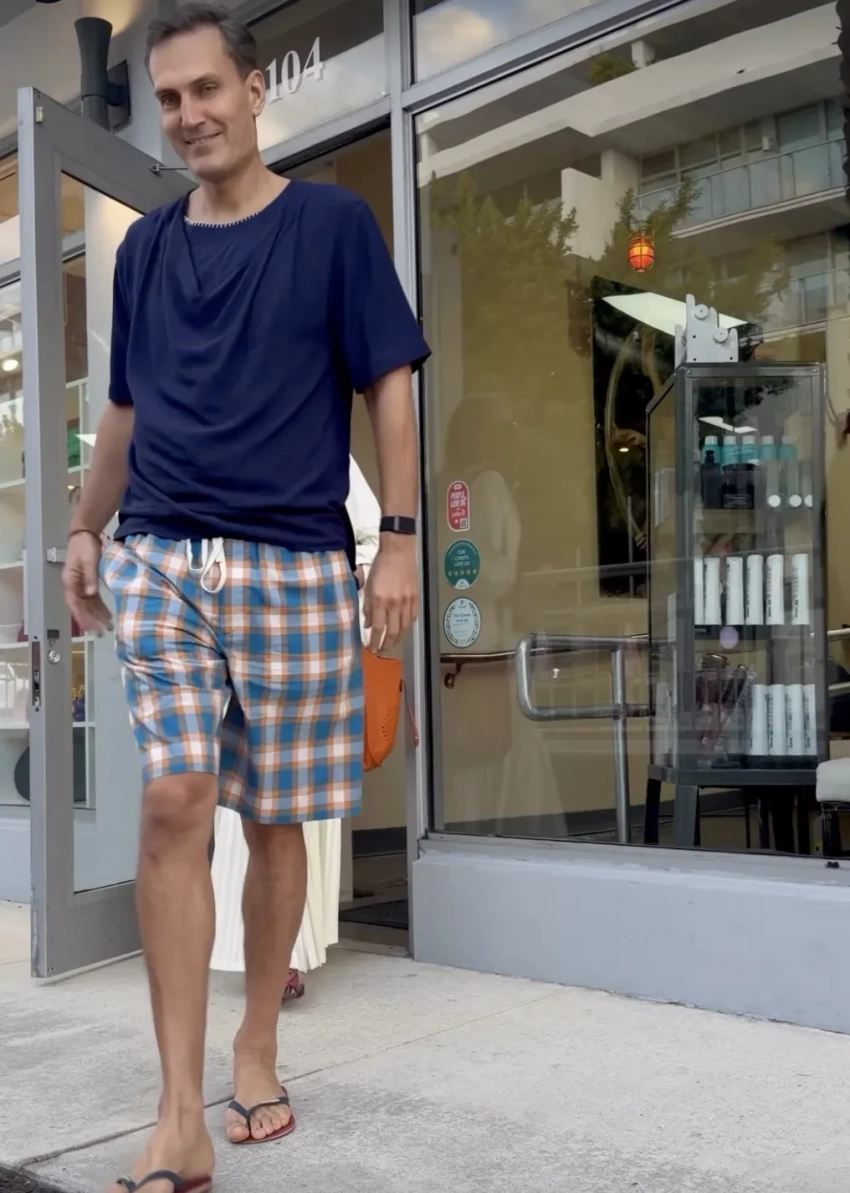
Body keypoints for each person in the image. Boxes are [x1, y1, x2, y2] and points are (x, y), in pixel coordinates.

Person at [60, 5, 428, 1192]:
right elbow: (125, 408)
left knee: (277, 820)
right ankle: (179, 1113)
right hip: (164, 555)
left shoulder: (331, 225)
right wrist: (84, 526)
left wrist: (400, 540)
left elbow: (388, 383)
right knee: (174, 798)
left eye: (206, 89)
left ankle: (256, 1042)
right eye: (169, 99)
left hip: (296, 559)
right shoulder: (147, 251)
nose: (188, 115)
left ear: (254, 89)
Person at [210, 455, 382, 994]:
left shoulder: (320, 443)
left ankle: (288, 952)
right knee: (238, 808)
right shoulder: (213, 441)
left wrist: (351, 577)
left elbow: (372, 536)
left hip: (306, 633)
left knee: (296, 811)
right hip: (231, 631)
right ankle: (255, 950)